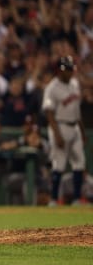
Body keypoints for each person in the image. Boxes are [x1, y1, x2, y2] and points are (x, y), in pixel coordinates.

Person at [42, 55, 87, 206]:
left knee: (79, 162)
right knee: (59, 164)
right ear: (60, 71)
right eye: (68, 70)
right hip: (59, 126)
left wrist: (82, 130)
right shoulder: (52, 88)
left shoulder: (74, 83)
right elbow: (49, 113)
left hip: (75, 127)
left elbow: (77, 110)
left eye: (71, 69)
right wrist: (57, 135)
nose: (70, 72)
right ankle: (54, 199)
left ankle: (76, 199)